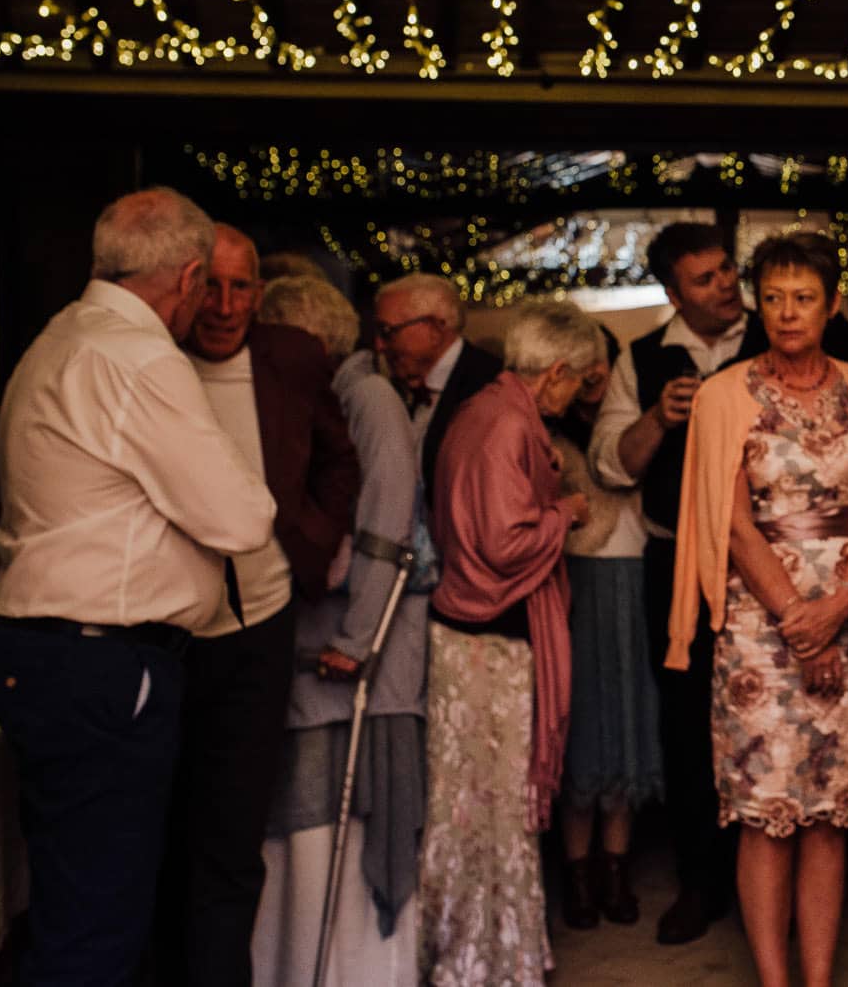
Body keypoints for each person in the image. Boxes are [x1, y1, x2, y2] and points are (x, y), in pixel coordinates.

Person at [0, 188, 275, 984]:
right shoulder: (140, 355)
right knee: (100, 927)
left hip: (43, 653)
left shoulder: (58, 337)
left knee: (65, 908)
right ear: (188, 277)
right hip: (105, 664)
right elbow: (240, 516)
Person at [667, 231, 848, 987]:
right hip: (756, 634)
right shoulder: (723, 394)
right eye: (771, 296)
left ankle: (817, 978)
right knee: (765, 815)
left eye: (803, 296)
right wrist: (797, 618)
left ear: (832, 302)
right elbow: (728, 519)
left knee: (832, 813)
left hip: (845, 614)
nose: (786, 311)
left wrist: (840, 602)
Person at [158, 223, 361, 987]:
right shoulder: (153, 361)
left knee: (234, 830)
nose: (225, 303)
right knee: (163, 820)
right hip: (165, 627)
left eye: (241, 286)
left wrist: (305, 537)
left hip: (263, 622)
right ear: (184, 286)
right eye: (210, 284)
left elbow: (341, 461)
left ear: (260, 294)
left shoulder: (291, 357)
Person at [589, 221, 767, 943]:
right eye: (706, 279)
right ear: (671, 293)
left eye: (727, 269)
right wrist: (658, 419)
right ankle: (701, 882)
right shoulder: (643, 358)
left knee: (767, 717)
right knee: (689, 723)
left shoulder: (779, 331)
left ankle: (774, 874)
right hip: (678, 565)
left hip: (773, 562)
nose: (727, 285)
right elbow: (610, 465)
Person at [249, 272, 428, 986]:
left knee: (338, 828)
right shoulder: (317, 400)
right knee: (297, 832)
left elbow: (388, 529)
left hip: (354, 655)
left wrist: (355, 643)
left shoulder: (368, 397)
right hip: (312, 650)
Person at [416, 299, 601, 987]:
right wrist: (567, 509)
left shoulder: (489, 409)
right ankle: (480, 959)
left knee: (481, 807)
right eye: (578, 381)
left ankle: (491, 951)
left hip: (479, 639)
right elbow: (502, 544)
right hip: (486, 649)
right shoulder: (501, 423)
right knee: (484, 810)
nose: (577, 395)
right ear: (554, 372)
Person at [553, 331, 665, 931]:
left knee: (627, 723)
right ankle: (576, 873)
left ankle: (616, 868)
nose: (593, 373)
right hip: (579, 586)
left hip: (636, 581)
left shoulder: (635, 432)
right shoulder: (551, 438)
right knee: (582, 726)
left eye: (603, 359)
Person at [373, 273, 503, 499]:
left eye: (388, 331)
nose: (380, 345)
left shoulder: (489, 386)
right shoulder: (399, 384)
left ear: (433, 330)